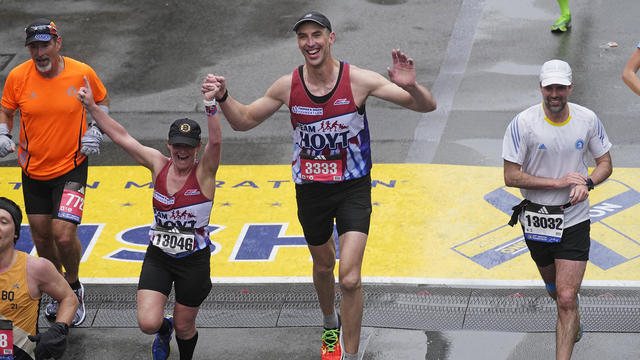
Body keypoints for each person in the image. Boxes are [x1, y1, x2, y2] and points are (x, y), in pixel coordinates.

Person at [208, 11, 437, 360]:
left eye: (317, 35)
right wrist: (224, 97)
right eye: (303, 37)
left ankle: (351, 352)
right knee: (323, 267)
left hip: (353, 189)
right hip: (311, 191)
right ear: (299, 43)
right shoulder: (287, 86)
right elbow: (244, 121)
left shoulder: (358, 80)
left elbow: (426, 106)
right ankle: (330, 324)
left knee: (349, 278)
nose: (310, 43)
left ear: (331, 38)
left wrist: (411, 86)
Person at [76, 74, 222, 360]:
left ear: (197, 148)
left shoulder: (204, 173)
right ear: (168, 144)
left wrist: (210, 104)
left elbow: (216, 142)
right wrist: (92, 108)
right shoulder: (158, 164)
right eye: (177, 145)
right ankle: (162, 331)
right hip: (159, 257)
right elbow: (122, 137)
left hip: (193, 263)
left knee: (185, 326)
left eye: (188, 146)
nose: (182, 152)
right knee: (148, 324)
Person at [0, 18, 110, 326]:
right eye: (33, 47)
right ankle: (57, 289)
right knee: (42, 237)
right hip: (33, 168)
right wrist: (3, 132)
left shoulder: (81, 73)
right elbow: (7, 109)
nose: (39, 53)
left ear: (57, 43)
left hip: (71, 166)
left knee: (63, 236)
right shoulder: (18, 77)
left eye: (44, 45)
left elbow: (101, 100)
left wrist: (95, 128)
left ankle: (73, 287)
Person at [503, 59, 612, 360]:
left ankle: (568, 322)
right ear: (541, 87)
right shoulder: (522, 124)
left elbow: (605, 164)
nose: (555, 93)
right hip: (537, 220)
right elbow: (511, 176)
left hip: (575, 218)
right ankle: (571, 313)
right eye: (549, 87)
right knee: (555, 292)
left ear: (570, 87)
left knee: (565, 298)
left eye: (561, 87)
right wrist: (558, 182)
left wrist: (587, 182)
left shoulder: (587, 119)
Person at [0, 197, 78, 360]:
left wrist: (58, 329)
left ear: (15, 233)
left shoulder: (35, 268)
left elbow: (69, 298)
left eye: (3, 221)